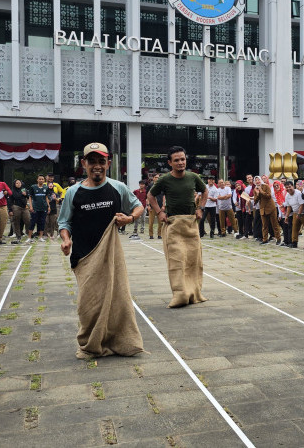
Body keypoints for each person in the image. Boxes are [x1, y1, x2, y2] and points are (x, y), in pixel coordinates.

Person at [59, 142, 145, 358]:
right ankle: (91, 345)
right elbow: (64, 223)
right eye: (92, 161)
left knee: (119, 301)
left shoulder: (118, 188)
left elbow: (138, 206)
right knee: (88, 306)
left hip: (111, 257)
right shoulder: (73, 192)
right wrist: (66, 240)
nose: (96, 166)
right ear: (83, 164)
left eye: (101, 161)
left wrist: (130, 218)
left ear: (108, 163)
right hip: (84, 257)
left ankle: (120, 342)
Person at [146, 146, 209, 308]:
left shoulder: (193, 177)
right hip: (173, 224)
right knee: (177, 260)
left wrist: (200, 208)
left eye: (183, 159)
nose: (181, 163)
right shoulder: (164, 179)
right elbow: (151, 195)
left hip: (190, 224)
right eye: (177, 160)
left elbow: (205, 191)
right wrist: (159, 212)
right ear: (170, 163)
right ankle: (180, 294)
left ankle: (195, 293)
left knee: (194, 260)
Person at [254, 175, 281, 244]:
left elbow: (268, 196)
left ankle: (278, 238)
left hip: (270, 207)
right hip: (262, 208)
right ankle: (265, 239)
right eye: (256, 180)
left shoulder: (266, 186)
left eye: (258, 180)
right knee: (264, 225)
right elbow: (255, 201)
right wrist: (257, 194)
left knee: (274, 224)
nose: (257, 181)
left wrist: (261, 191)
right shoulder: (255, 189)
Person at [8, 180, 31, 245]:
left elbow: (29, 196)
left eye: (19, 183)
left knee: (28, 220)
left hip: (24, 207)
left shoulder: (24, 190)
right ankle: (18, 236)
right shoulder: (12, 191)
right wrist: (10, 210)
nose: (18, 184)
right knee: (16, 222)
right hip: (16, 207)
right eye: (17, 183)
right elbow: (9, 201)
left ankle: (28, 235)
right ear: (14, 184)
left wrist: (26, 194)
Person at [28, 175, 50, 243]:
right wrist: (31, 206)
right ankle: (29, 237)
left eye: (42, 179)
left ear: (44, 180)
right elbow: (30, 197)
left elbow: (46, 197)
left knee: (42, 222)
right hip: (35, 208)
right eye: (39, 179)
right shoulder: (33, 187)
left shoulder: (46, 187)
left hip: (43, 208)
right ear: (37, 180)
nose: (41, 180)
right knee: (32, 222)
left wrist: (48, 206)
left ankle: (40, 237)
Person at [283, 181, 304, 248]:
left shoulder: (298, 193)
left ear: (293, 186)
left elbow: (302, 204)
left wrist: (299, 214)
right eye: (287, 187)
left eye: (290, 187)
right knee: (294, 228)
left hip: (303, 213)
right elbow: (289, 207)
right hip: (295, 212)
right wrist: (286, 216)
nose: (288, 189)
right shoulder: (287, 195)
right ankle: (294, 242)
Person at [148, 174, 165, 239]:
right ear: (153, 178)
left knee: (160, 222)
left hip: (160, 206)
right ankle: (151, 235)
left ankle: (159, 234)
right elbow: (148, 197)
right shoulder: (150, 186)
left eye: (158, 177)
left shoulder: (162, 186)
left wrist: (164, 205)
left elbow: (164, 196)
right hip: (152, 206)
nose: (157, 178)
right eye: (156, 177)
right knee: (151, 222)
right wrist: (148, 205)